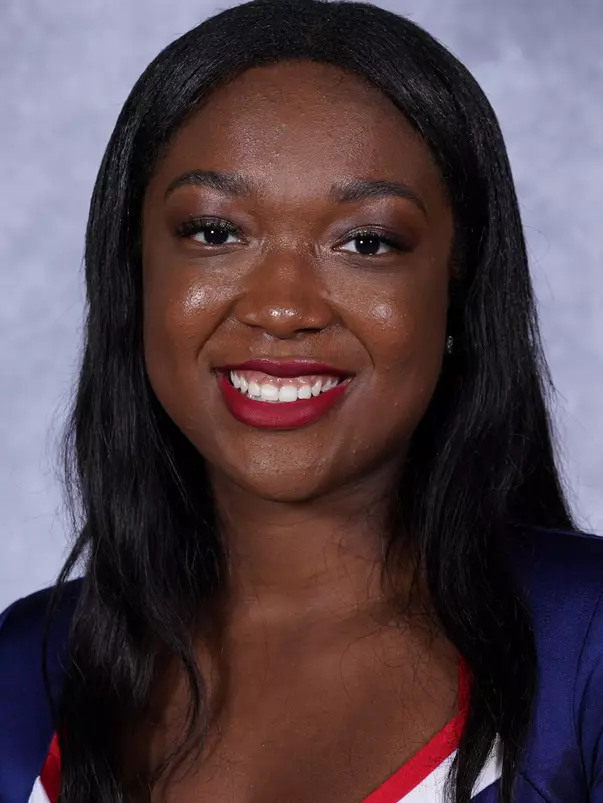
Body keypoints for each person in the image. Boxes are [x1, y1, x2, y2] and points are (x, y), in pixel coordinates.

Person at [1, 0, 602, 801]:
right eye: (215, 234)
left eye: (367, 242)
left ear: (456, 294)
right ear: (134, 276)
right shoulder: (28, 671)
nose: (282, 308)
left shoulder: (584, 644)